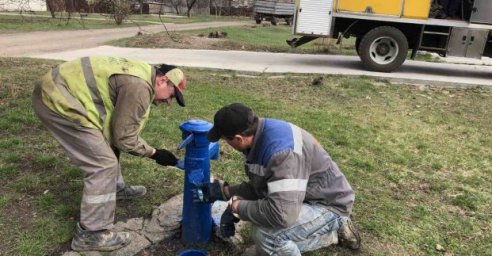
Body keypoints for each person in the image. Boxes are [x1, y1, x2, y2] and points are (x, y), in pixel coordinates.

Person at [32, 56, 187, 252]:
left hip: (60, 89)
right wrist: (155, 153)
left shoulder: (142, 75)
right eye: (171, 95)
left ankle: (115, 188)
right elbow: (124, 138)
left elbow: (117, 134)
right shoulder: (139, 87)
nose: (168, 102)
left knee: (106, 147)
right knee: (103, 164)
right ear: (163, 80)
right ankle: (91, 234)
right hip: (57, 99)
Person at [201, 103, 361, 255]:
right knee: (265, 232)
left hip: (329, 204)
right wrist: (225, 192)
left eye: (225, 140)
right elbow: (262, 187)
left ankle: (334, 223)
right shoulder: (259, 136)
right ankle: (331, 236)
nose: (227, 144)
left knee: (266, 234)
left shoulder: (281, 154)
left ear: (238, 139)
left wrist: (237, 207)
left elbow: (281, 214)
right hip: (303, 195)